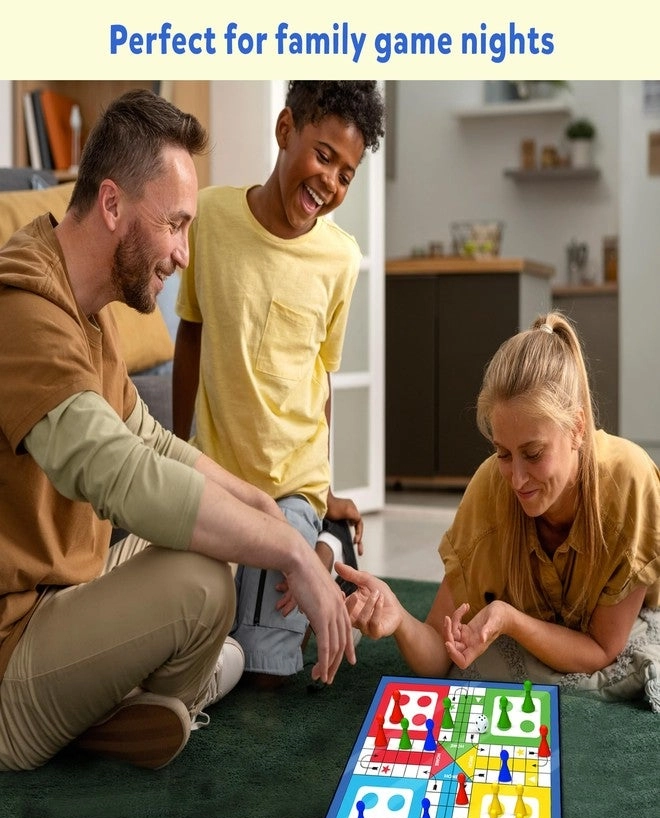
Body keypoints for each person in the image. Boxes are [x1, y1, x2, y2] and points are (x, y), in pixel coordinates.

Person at [0, 89, 355, 773]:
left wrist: (262, 510)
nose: (185, 255)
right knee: (204, 587)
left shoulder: (83, 299)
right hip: (13, 646)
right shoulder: (25, 312)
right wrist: (286, 549)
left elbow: (153, 441)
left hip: (65, 585)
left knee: (222, 536)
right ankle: (122, 706)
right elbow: (119, 474)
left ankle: (129, 700)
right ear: (111, 205)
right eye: (176, 225)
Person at [173, 82, 385, 687]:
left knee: (266, 667)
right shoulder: (209, 218)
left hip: (291, 484)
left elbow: (322, 382)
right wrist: (176, 446)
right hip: (217, 478)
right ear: (285, 129)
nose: (331, 184)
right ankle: (328, 544)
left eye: (347, 174)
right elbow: (191, 333)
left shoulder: (341, 260)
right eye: (324, 156)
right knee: (194, 621)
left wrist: (326, 486)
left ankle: (324, 532)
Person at [340, 312, 660, 681]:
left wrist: (510, 620)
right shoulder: (489, 490)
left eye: (534, 453)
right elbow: (437, 654)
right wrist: (398, 619)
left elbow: (601, 649)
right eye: (503, 454)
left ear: (577, 428)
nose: (517, 480)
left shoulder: (630, 484)